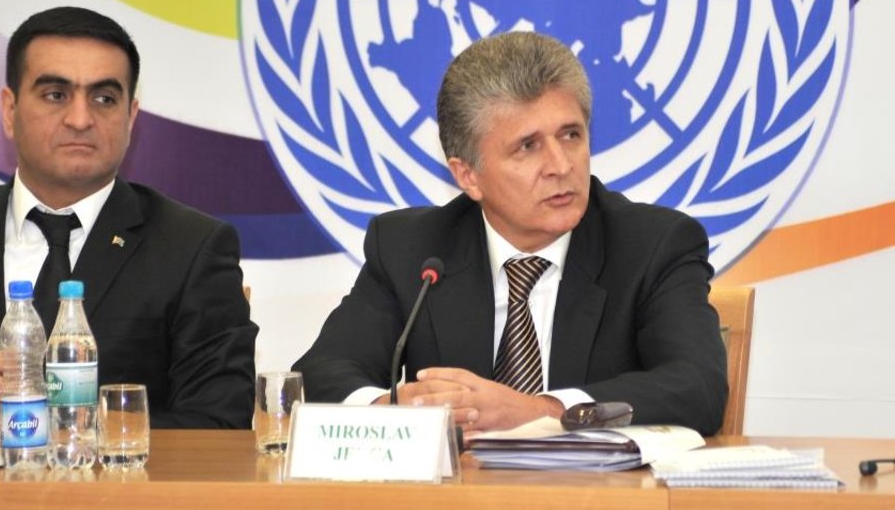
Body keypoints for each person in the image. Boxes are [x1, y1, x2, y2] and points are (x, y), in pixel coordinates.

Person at [293, 31, 727, 436]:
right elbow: (320, 373)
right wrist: (392, 408)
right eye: (527, 146)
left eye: (571, 135)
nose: (561, 165)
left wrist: (544, 411)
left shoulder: (652, 245)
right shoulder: (413, 249)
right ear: (468, 175)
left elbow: (697, 388)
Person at [0, 6, 257, 429]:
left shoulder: (191, 249)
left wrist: (54, 421)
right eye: (56, 95)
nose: (81, 119)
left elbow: (219, 422)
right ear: (9, 110)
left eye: (104, 99)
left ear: (131, 117)